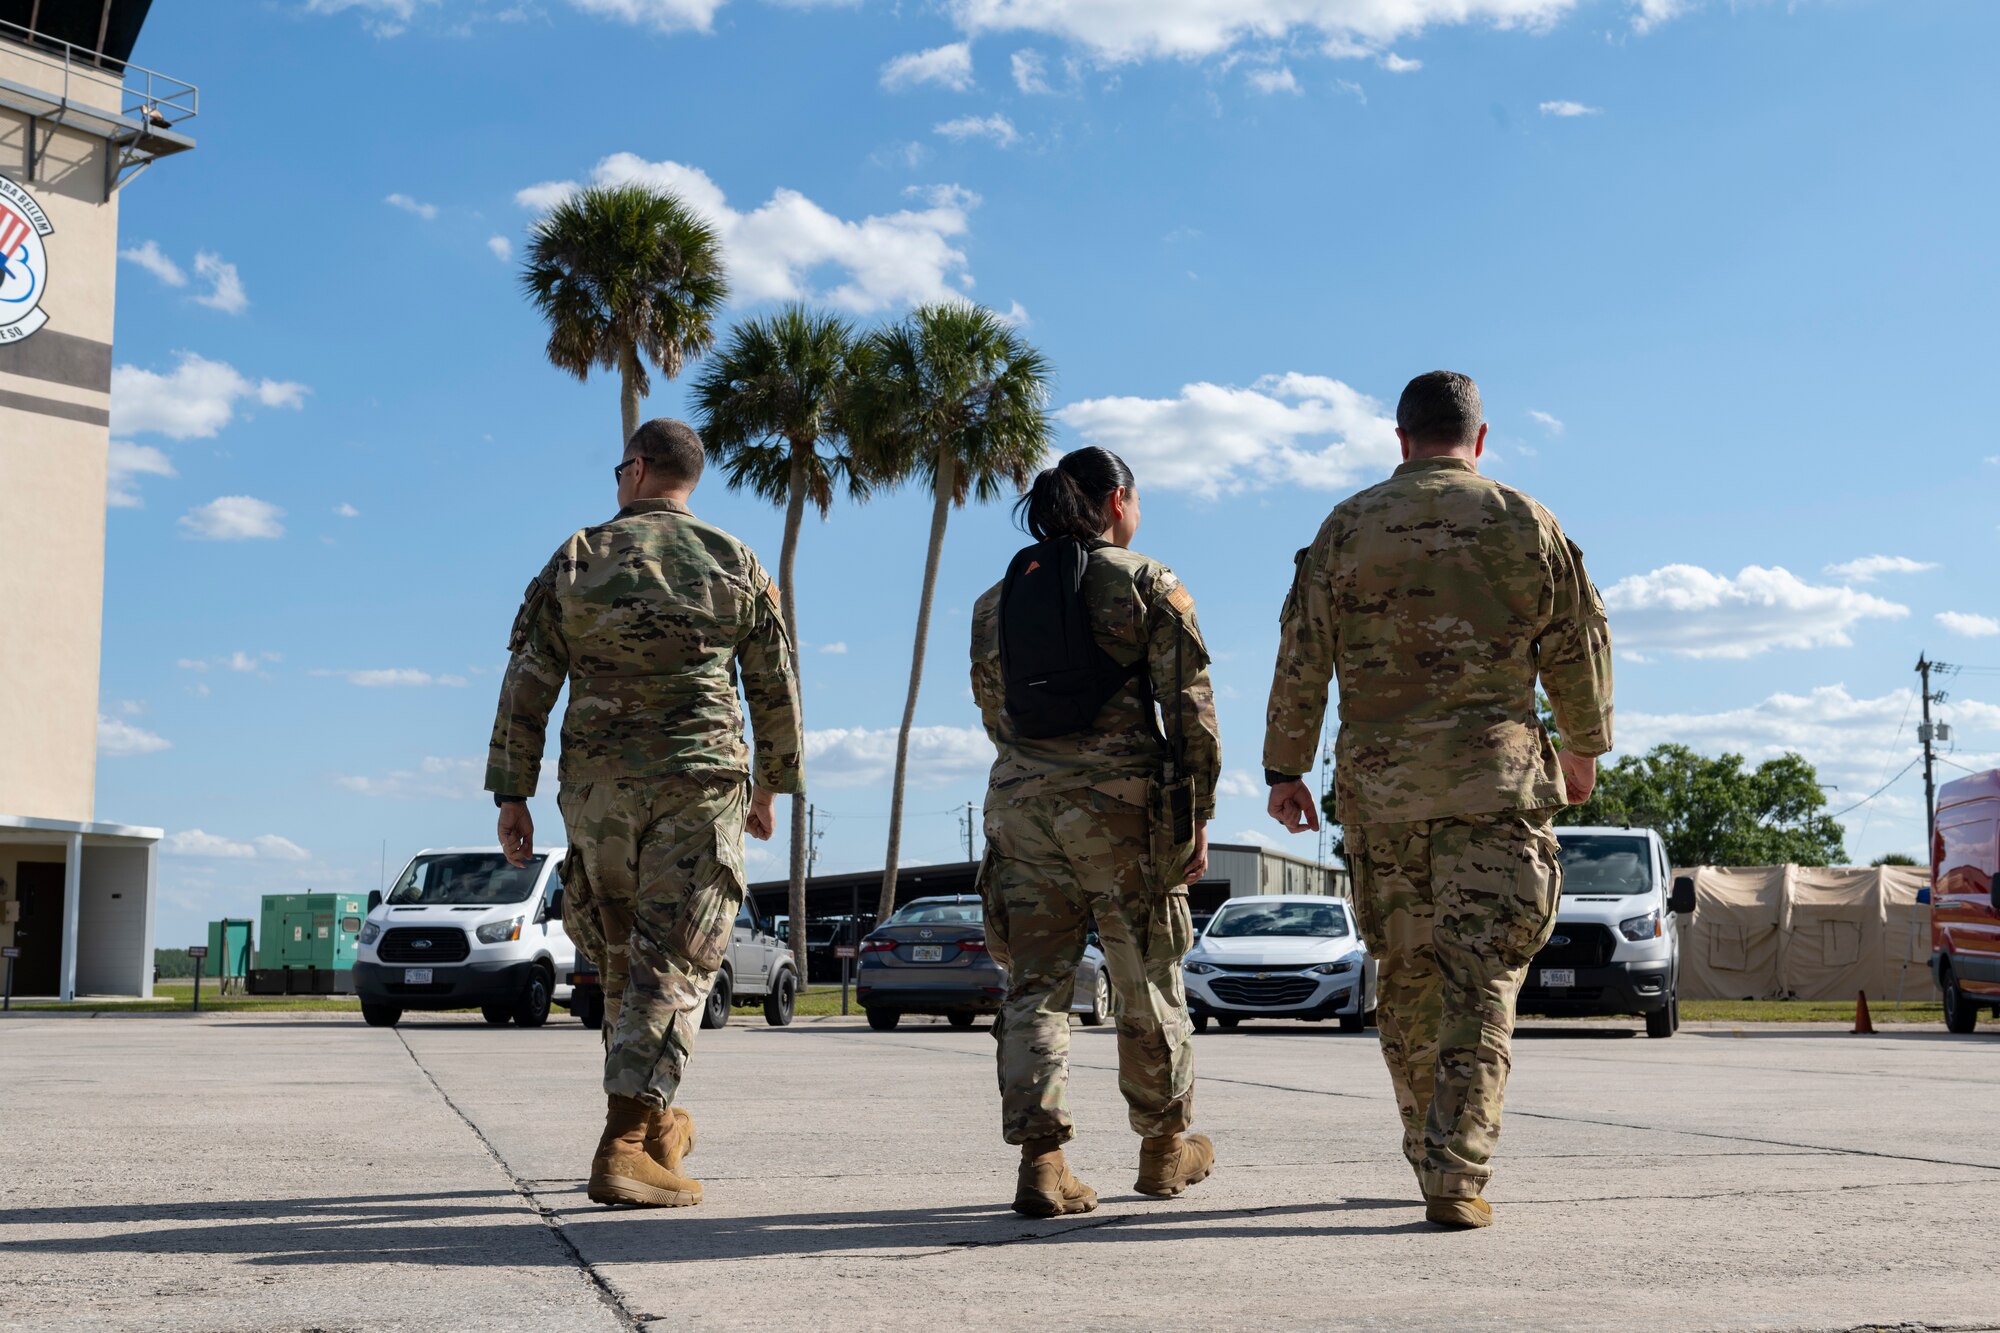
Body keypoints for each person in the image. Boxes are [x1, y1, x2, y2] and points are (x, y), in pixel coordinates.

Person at [1262, 371, 1612, 1230]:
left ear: (1401, 437)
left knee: (1410, 977)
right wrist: (1581, 750)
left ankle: (1429, 1143)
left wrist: (1286, 767)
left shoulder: (1347, 527)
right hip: (1494, 787)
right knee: (1484, 978)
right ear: (1479, 439)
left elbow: (1302, 652)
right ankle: (1454, 1170)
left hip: (1382, 795)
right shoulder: (1527, 521)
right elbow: (1579, 644)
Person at [485, 417, 804, 1209]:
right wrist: (771, 786)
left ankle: (655, 1125)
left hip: (598, 784)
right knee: (677, 959)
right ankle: (624, 1143)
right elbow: (774, 684)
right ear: (687, 478)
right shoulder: (735, 560)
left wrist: (511, 791)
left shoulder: (576, 557)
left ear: (635, 470)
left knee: (629, 956)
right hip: (699, 781)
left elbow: (528, 681)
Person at [969, 446, 1223, 1218]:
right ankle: (1162, 1148)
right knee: (1147, 979)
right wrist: (1195, 817)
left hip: (1022, 808)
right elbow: (1193, 719)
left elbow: (994, 711)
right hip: (1124, 815)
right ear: (1118, 501)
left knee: (1035, 986)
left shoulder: (996, 601)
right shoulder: (1149, 582)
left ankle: (1043, 1161)